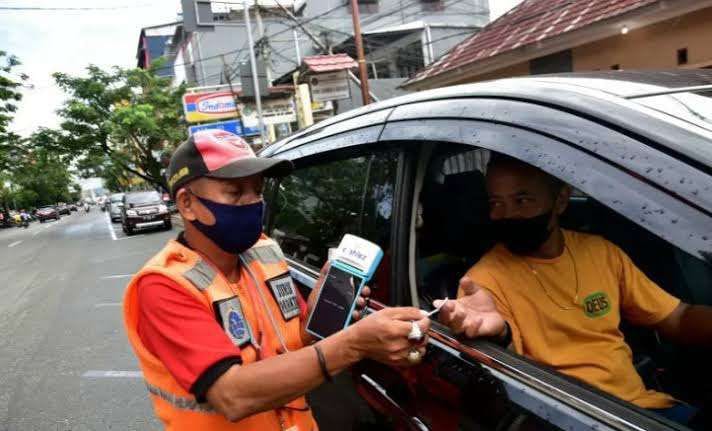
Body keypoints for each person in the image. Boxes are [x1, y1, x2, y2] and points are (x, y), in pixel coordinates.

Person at [123, 130, 430, 431]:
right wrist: (354, 344)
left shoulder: (263, 250)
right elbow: (232, 395)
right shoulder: (164, 285)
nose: (252, 202)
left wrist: (316, 314)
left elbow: (292, 341)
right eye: (234, 192)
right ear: (187, 204)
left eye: (257, 190)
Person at [436, 154, 712, 427]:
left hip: (644, 409)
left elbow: (676, 317)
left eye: (522, 200)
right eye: (496, 203)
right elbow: (506, 381)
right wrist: (500, 336)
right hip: (571, 418)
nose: (506, 215)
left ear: (561, 200)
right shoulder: (480, 286)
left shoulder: (599, 252)